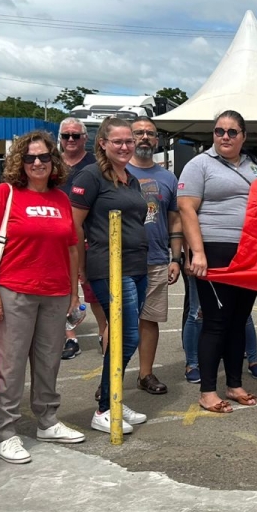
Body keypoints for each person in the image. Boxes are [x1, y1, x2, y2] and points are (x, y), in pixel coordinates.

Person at [0, 131, 84, 463]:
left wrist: (73, 291)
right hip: (15, 291)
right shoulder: (6, 193)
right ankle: (5, 434)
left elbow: (71, 247)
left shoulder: (61, 199)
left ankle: (48, 421)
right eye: (29, 158)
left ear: (53, 161)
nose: (37, 162)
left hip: (56, 292)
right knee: (10, 366)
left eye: (43, 157)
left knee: (49, 361)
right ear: (20, 162)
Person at [178, 110, 257, 414]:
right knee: (215, 322)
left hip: (248, 252)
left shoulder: (254, 166)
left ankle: (234, 384)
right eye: (219, 131)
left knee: (238, 320)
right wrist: (198, 252)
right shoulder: (199, 164)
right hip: (214, 250)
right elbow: (186, 208)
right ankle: (207, 391)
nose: (224, 137)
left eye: (231, 132)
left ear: (243, 136)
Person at [70, 116, 150, 434]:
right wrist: (80, 269)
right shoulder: (91, 176)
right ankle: (104, 407)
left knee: (126, 335)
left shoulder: (130, 179)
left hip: (137, 265)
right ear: (102, 143)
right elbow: (75, 225)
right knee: (125, 336)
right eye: (118, 141)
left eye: (129, 141)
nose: (125, 146)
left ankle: (113, 395)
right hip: (108, 267)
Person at [128, 117, 181, 395]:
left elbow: (175, 219)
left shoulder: (168, 178)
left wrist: (176, 258)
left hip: (158, 258)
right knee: (117, 321)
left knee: (149, 320)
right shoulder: (114, 171)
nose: (145, 137)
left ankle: (145, 374)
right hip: (122, 259)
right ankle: (110, 378)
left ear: (157, 140)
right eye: (139, 133)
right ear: (130, 137)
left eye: (150, 133)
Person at [57, 117, 103, 360]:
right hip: (58, 238)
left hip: (90, 237)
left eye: (76, 135)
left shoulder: (95, 165)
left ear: (85, 138)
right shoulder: (52, 164)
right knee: (63, 290)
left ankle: (104, 333)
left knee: (94, 290)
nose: (71, 139)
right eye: (66, 135)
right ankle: (70, 337)